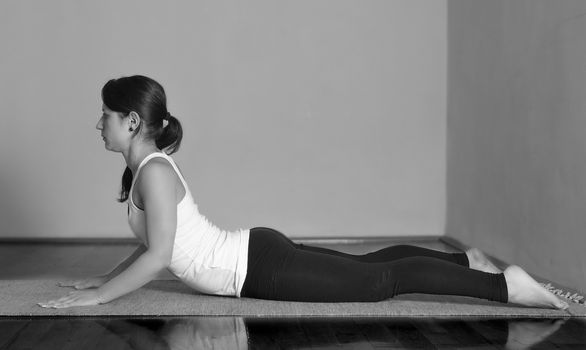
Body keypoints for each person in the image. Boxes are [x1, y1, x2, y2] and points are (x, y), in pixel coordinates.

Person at [38, 75, 569, 310]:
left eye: (105, 115)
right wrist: (98, 282)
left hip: (257, 267)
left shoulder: (153, 172)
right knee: (367, 267)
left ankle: (506, 288)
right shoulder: (145, 171)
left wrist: (98, 301)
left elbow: (157, 256)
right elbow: (155, 241)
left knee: (378, 282)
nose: (98, 123)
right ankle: (465, 262)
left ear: (131, 121)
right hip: (255, 252)